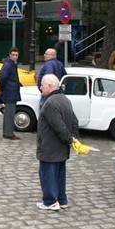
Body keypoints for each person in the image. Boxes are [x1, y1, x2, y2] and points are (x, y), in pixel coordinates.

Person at [36, 74, 79, 211]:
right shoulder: (65, 99)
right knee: (60, 174)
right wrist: (73, 137)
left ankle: (50, 201)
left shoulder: (50, 103)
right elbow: (74, 121)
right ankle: (62, 199)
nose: (40, 88)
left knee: (48, 174)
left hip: (50, 146)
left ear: (49, 86)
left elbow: (58, 126)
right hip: (61, 148)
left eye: (42, 85)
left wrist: (69, 139)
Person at [0, 48, 22, 140]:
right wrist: (2, 88)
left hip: (11, 91)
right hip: (10, 92)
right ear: (10, 55)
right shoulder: (8, 64)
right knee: (9, 114)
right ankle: (8, 133)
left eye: (16, 55)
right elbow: (2, 78)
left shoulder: (11, 64)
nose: (15, 57)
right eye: (13, 55)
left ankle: (7, 132)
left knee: (9, 113)